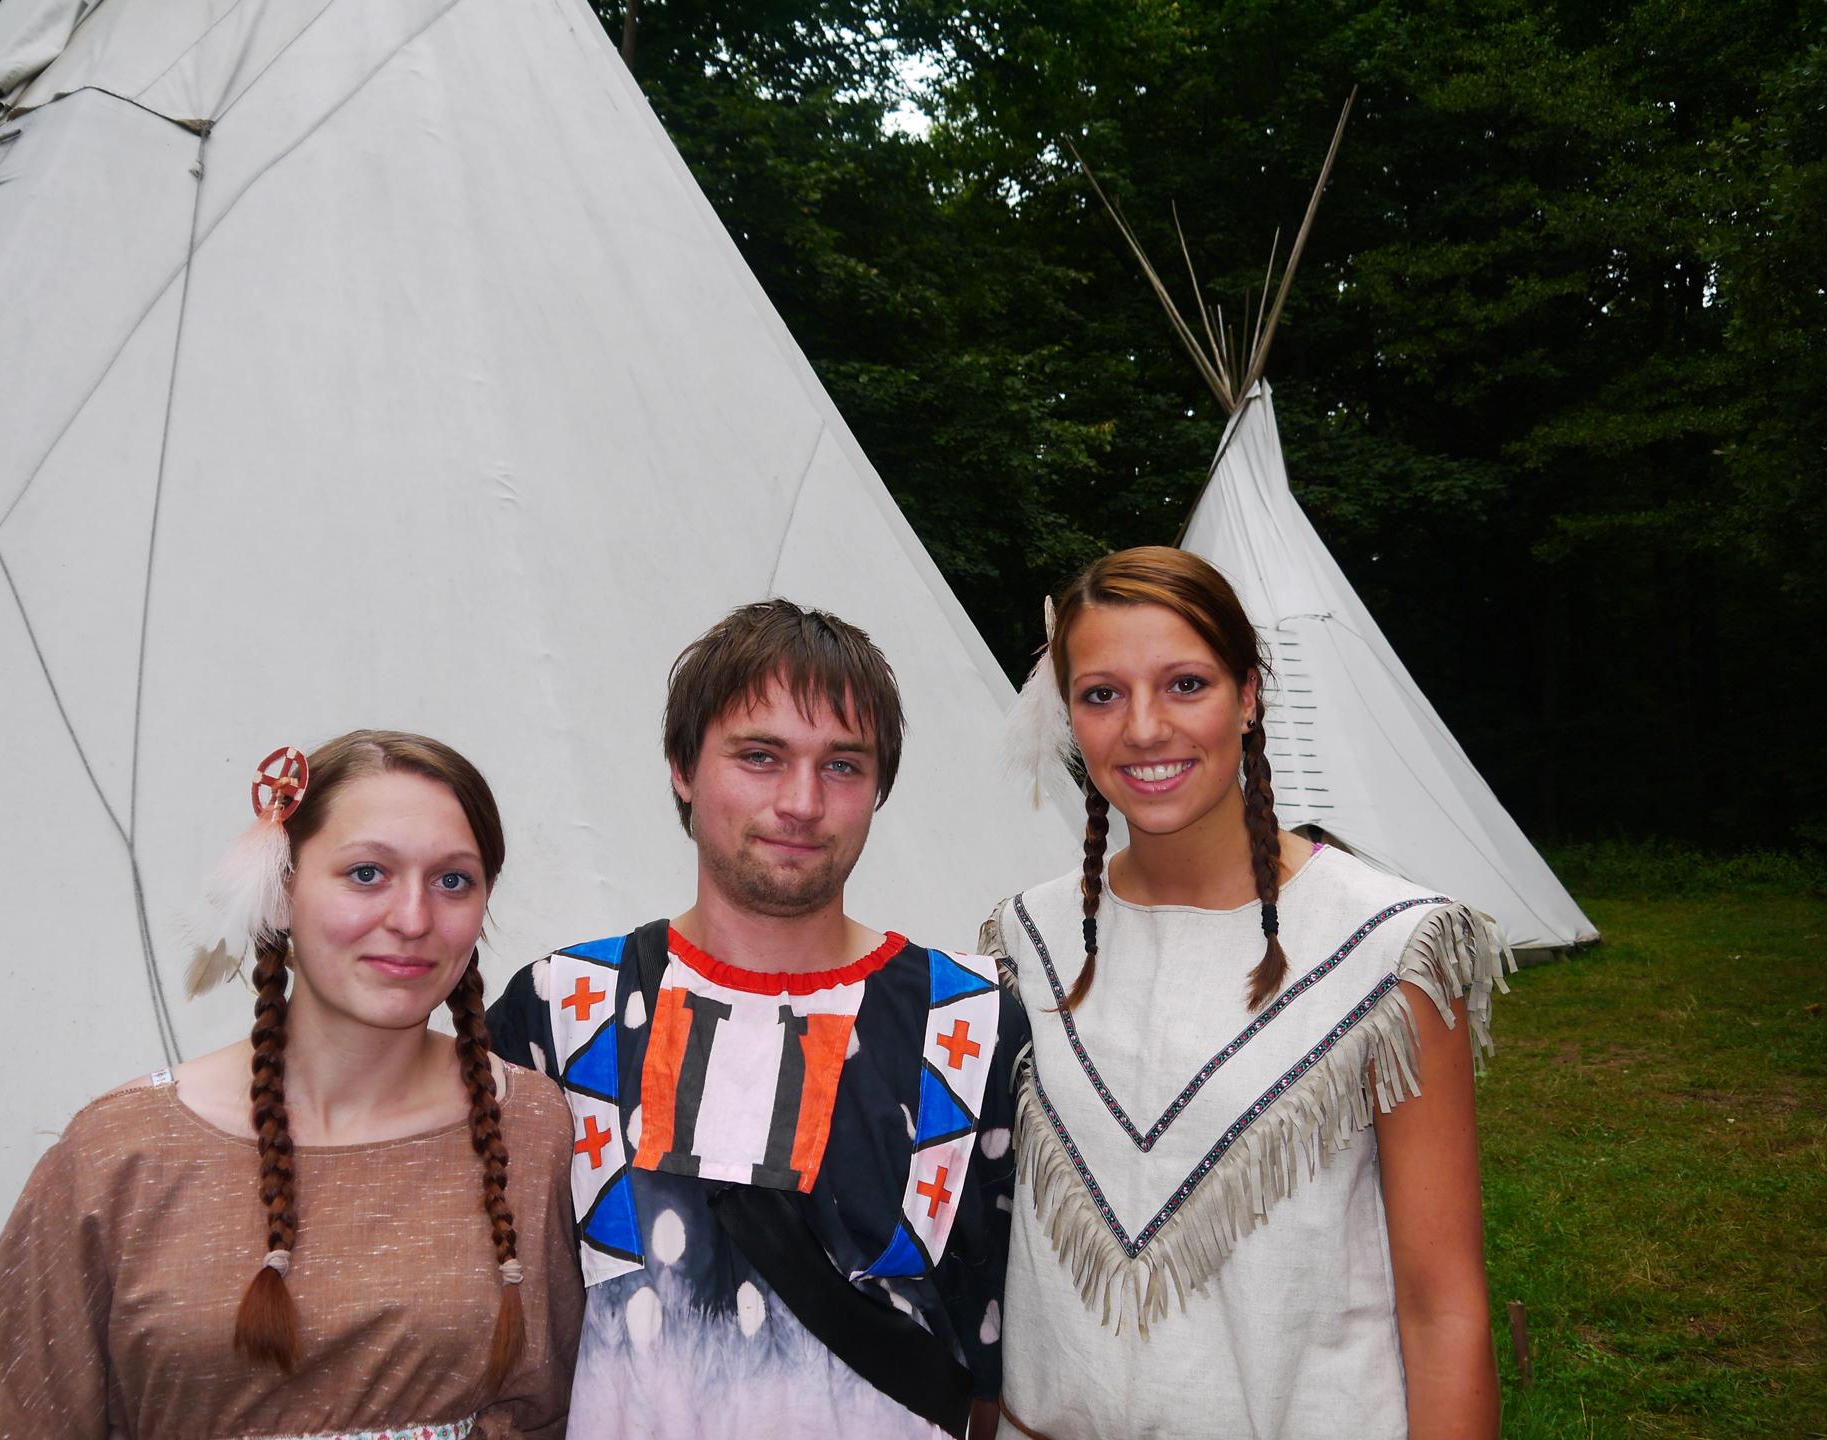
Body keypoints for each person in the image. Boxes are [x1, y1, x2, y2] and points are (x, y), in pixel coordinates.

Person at [984, 548, 1508, 1440]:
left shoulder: (1390, 949)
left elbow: (1444, 1306)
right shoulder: (1023, 942)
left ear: (1249, 695)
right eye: (1102, 695)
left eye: (1185, 685)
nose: (1143, 728)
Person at [0, 730, 582, 1438]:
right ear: (279, 890)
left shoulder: (532, 1126)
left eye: (453, 880)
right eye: (367, 873)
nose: (412, 919)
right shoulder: (118, 1153)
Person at [487, 600, 1028, 1440]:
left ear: (879, 788)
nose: (802, 802)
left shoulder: (974, 1018)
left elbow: (1004, 1349)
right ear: (682, 767)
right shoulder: (561, 1009)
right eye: (761, 756)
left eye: (842, 765)